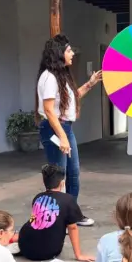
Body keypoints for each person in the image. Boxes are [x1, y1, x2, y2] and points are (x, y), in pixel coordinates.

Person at [36, 34, 102, 227]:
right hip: (54, 128)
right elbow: (49, 110)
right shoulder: (49, 77)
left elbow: (71, 99)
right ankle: (58, 219)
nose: (72, 53)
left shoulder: (61, 76)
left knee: (73, 173)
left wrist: (90, 83)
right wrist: (62, 137)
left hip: (64, 127)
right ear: (59, 53)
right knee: (59, 176)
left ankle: (71, 214)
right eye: (69, 50)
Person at [17, 164, 95, 262]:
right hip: (49, 252)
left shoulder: (38, 197)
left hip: (25, 248)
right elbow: (72, 228)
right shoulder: (68, 199)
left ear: (44, 182)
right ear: (62, 183)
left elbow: (34, 221)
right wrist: (78, 255)